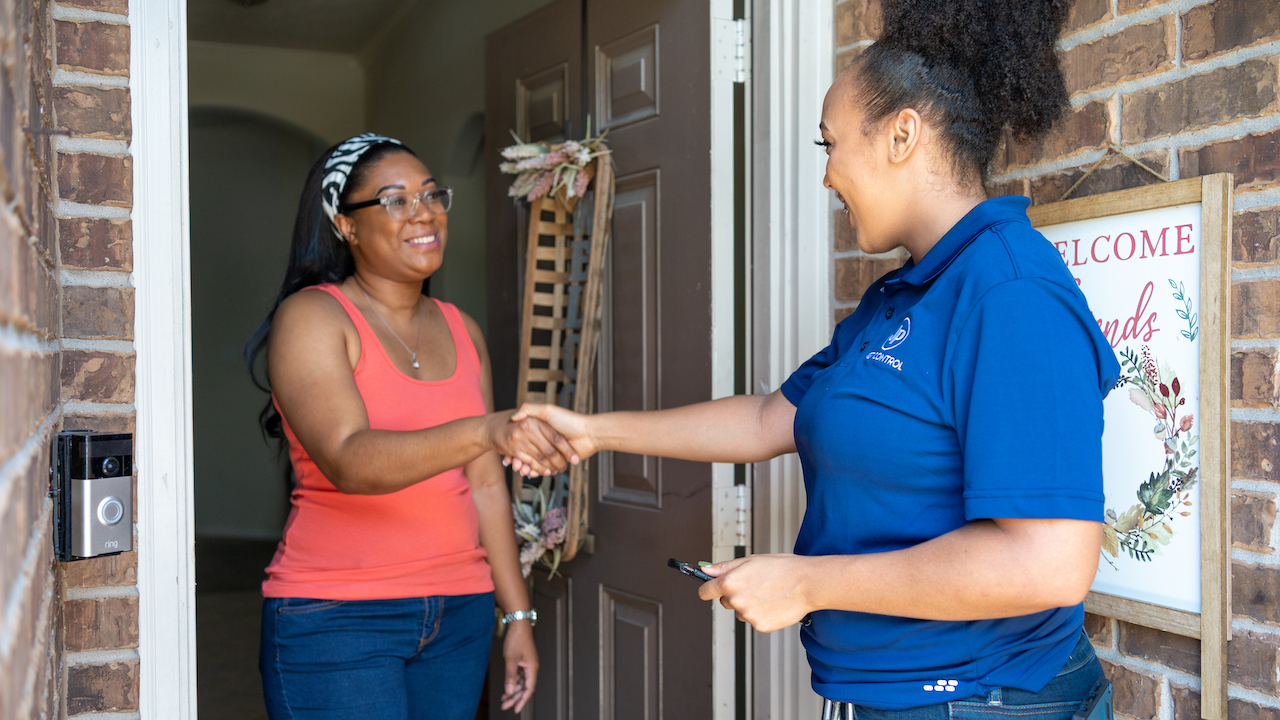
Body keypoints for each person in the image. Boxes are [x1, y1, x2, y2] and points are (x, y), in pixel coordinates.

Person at [511, 0, 1121, 716]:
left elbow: (1049, 564)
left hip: (984, 699)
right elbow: (773, 417)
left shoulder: (1010, 294)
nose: (827, 176)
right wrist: (596, 433)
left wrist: (807, 583)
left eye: (829, 143)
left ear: (902, 135)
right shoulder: (905, 294)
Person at [245, 133, 576, 720]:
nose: (423, 213)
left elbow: (485, 486)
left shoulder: (461, 329)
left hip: (460, 614)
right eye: (395, 200)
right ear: (346, 225)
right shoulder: (314, 318)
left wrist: (517, 616)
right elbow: (350, 460)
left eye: (431, 195)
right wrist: (485, 431)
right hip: (338, 616)